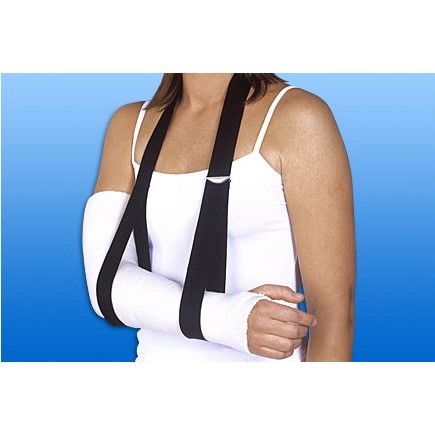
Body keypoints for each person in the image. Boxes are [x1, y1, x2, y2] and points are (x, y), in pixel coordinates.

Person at [82, 73, 355, 362]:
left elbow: (335, 319)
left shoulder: (297, 118)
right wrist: (231, 319)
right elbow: (106, 286)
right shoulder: (129, 126)